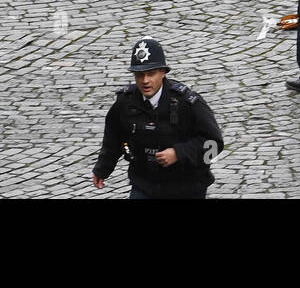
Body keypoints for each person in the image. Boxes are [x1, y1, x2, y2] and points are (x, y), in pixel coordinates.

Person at [92, 38, 224, 198]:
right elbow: (113, 138)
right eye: (140, 75)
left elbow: (214, 143)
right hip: (145, 185)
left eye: (151, 73)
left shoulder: (187, 103)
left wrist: (178, 153)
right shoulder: (125, 103)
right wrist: (102, 169)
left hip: (186, 187)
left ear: (163, 72)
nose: (145, 80)